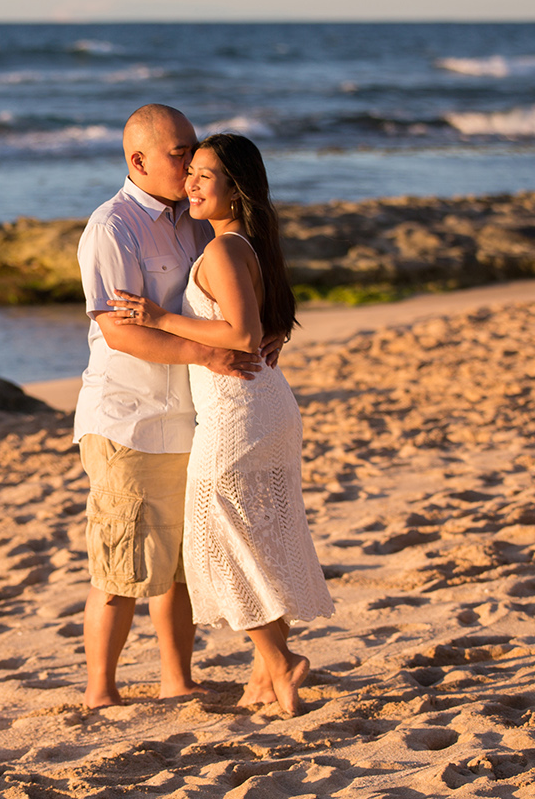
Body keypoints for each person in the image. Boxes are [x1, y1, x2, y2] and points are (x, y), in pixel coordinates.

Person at [108, 132, 334, 716]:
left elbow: (239, 335)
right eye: (191, 173)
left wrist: (160, 317)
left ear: (237, 189)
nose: (190, 183)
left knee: (227, 541)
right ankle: (265, 673)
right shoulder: (243, 246)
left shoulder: (226, 251)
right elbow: (264, 324)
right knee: (255, 535)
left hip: (239, 414)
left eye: (205, 176)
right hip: (255, 407)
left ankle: (279, 662)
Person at [74, 105, 280, 709]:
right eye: (179, 152)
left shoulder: (194, 220)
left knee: (181, 563)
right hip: (127, 419)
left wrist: (271, 332)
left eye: (194, 152)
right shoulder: (111, 228)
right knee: (120, 564)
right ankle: (100, 692)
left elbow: (237, 294)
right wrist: (208, 356)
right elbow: (121, 332)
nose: (191, 163)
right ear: (137, 160)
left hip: (192, 415)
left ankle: (176, 678)